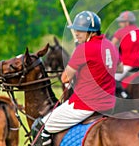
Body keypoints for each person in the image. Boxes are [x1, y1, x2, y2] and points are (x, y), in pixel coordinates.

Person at [40, 11, 118, 146]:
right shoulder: (110, 46)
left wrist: (79, 55)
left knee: (41, 126)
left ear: (91, 32)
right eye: (76, 30)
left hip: (85, 104)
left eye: (80, 30)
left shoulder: (84, 49)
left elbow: (65, 78)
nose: (76, 33)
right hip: (109, 104)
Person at [111, 11, 139, 98]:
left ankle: (123, 94)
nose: (119, 23)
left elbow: (111, 46)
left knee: (113, 79)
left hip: (127, 63)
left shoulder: (120, 32)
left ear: (127, 22)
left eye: (121, 21)